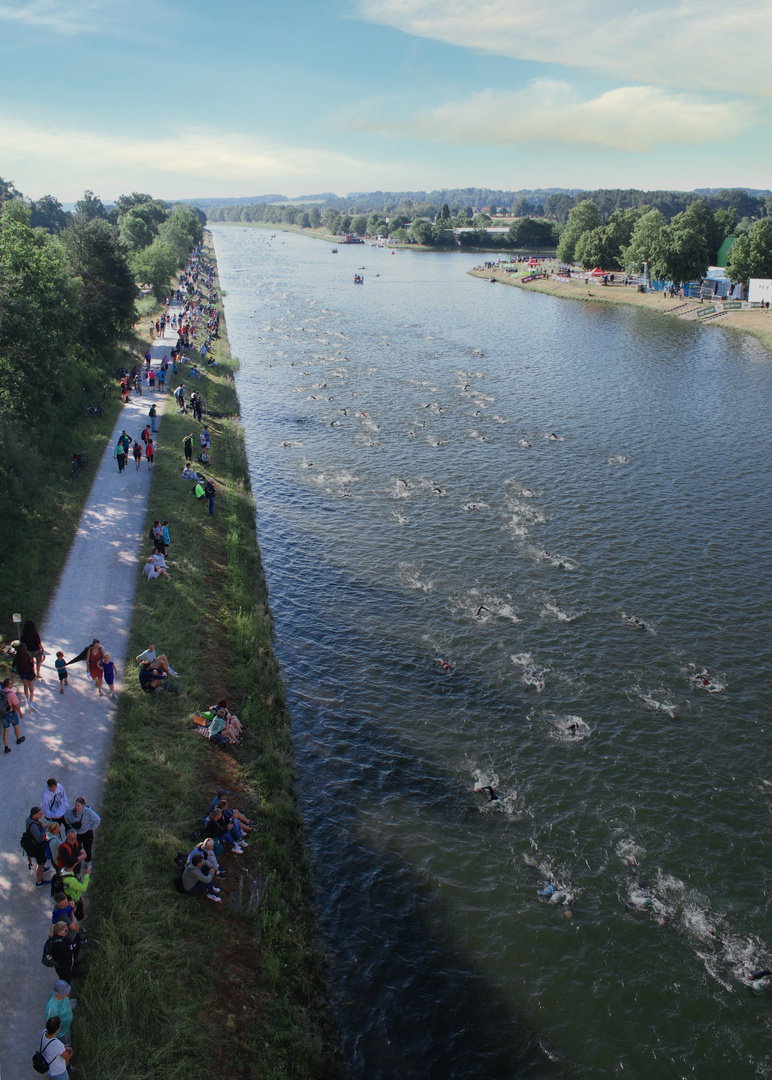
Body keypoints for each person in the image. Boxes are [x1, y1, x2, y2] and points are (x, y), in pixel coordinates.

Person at [44, 982, 75, 1049]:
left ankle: (68, 1045)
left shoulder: (62, 997)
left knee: (67, 1041)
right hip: (60, 1033)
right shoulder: (52, 1008)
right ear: (59, 994)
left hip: (65, 1028)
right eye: (65, 992)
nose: (68, 994)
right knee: (63, 1046)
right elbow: (48, 1024)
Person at [25, 806, 51, 886]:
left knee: (42, 862)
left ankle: (43, 869)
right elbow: (39, 838)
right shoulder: (33, 825)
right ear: (34, 815)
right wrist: (43, 829)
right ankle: (39, 882)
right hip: (37, 848)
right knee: (41, 863)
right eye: (39, 813)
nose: (42, 814)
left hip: (36, 846)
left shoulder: (29, 820)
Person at [1, 677, 24, 752]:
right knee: (16, 726)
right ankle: (18, 739)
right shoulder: (11, 694)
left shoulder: (2, 692)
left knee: (6, 730)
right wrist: (20, 713)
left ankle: (6, 747)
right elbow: (16, 705)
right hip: (12, 713)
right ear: (8, 685)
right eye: (11, 683)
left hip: (3, 714)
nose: (12, 685)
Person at [11, 641, 37, 708]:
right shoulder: (28, 655)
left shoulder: (17, 656)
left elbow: (13, 665)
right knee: (31, 689)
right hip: (29, 673)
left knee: (25, 686)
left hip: (22, 673)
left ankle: (27, 699)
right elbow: (32, 665)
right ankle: (31, 702)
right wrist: (34, 673)